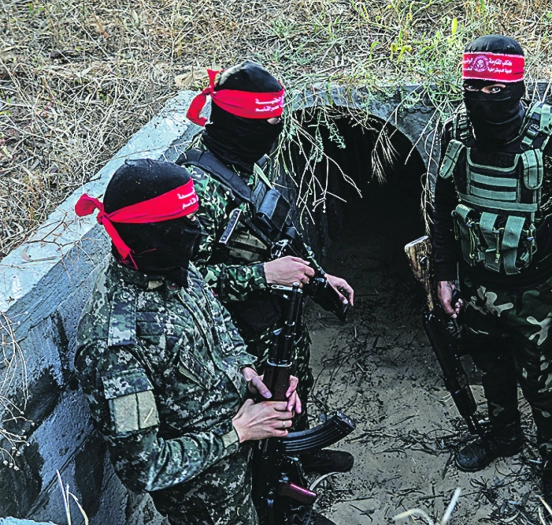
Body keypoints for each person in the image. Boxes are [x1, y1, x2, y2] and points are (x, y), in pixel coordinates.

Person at [74, 159, 303, 524]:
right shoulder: (115, 343)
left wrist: (251, 375)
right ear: (149, 234)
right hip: (208, 503)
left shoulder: (172, 266)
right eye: (183, 221)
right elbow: (144, 467)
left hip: (248, 458)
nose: (196, 229)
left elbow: (220, 326)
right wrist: (238, 432)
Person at [431, 35, 552, 522]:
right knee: (492, 370)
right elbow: (443, 210)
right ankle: (504, 436)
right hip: (476, 285)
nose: (482, 98)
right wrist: (444, 275)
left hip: (535, 292)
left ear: (517, 89)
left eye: (494, 89)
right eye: (472, 87)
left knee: (543, 385)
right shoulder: (455, 133)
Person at [180, 61, 354, 474]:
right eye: (268, 123)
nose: (275, 131)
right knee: (262, 407)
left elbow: (278, 232)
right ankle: (273, 476)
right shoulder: (199, 188)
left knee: (295, 387)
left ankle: (300, 453)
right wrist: (263, 275)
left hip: (275, 319)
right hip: (239, 334)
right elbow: (186, 283)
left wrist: (319, 277)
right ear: (240, 125)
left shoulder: (244, 165)